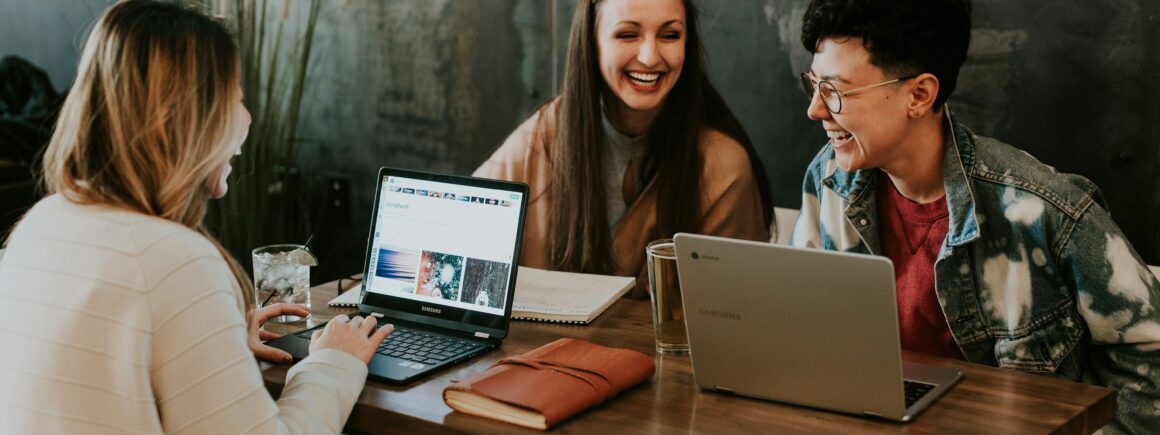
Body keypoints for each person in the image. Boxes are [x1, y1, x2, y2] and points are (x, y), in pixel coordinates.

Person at [0, 1, 392, 433]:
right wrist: (334, 361)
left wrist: (210, 338)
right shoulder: (174, 259)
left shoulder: (40, 224)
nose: (246, 119)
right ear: (175, 122)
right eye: (234, 101)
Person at [790, 0, 1160, 432]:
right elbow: (804, 328)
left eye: (835, 91)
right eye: (813, 85)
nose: (815, 109)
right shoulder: (830, 177)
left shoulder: (1043, 210)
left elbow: (1151, 360)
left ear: (919, 94)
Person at [475, 0, 774, 298]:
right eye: (627, 35)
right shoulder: (545, 132)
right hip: (544, 344)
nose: (649, 57)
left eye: (669, 35)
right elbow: (462, 229)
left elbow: (733, 312)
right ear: (591, 41)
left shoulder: (723, 165)